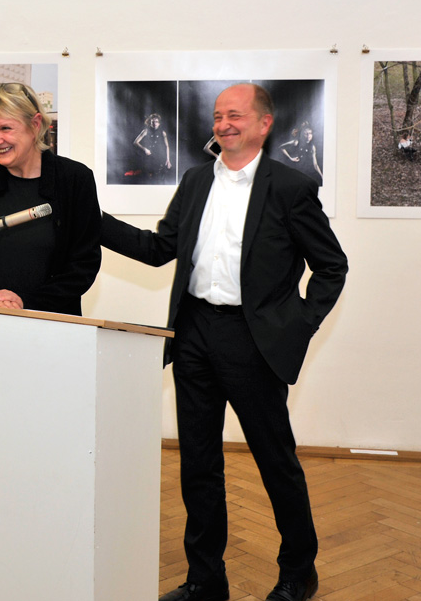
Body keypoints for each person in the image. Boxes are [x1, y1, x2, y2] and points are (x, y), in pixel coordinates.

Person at [101, 84, 347, 601]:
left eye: (235, 115)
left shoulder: (291, 187)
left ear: (264, 124)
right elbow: (159, 249)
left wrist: (296, 325)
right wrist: (92, 221)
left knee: (275, 461)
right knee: (199, 463)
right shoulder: (194, 182)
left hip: (254, 341)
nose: (223, 123)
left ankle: (299, 572)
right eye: (217, 116)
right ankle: (205, 580)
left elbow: (331, 266)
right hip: (192, 334)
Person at [0, 82, 101, 316]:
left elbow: (83, 264)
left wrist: (25, 304)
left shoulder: (75, 179)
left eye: (5, 128)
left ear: (35, 125)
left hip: (53, 324)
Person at [131, 112, 172, 182]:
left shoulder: (163, 132)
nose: (154, 123)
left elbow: (167, 146)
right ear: (150, 122)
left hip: (159, 157)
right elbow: (135, 142)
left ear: (159, 123)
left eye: (156, 122)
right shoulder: (146, 131)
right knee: (148, 177)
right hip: (149, 157)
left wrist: (168, 159)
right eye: (152, 122)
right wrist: (145, 149)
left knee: (159, 178)